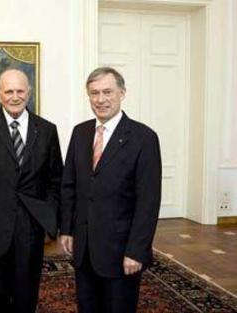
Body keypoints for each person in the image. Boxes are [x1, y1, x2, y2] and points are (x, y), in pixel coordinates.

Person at [60, 67, 162, 313]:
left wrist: (137, 250)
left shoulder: (144, 138)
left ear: (122, 93)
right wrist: (67, 230)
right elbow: (69, 185)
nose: (100, 99)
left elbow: (148, 201)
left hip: (121, 251)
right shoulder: (81, 132)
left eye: (107, 92)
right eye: (94, 93)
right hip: (84, 249)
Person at [0, 68, 63, 313]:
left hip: (31, 230)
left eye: (20, 91)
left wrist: (49, 221)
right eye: (9, 91)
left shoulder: (47, 130)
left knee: (26, 298)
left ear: (29, 93)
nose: (15, 96)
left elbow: (55, 180)